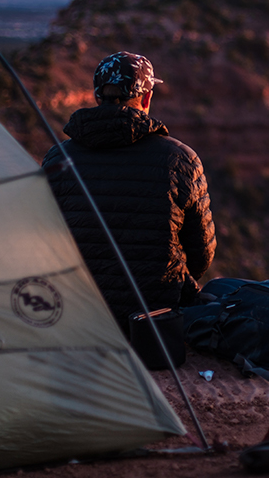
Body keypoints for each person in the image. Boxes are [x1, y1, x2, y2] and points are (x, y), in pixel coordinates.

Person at [42, 51, 216, 333]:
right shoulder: (180, 159)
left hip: (76, 317)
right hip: (154, 323)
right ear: (146, 98)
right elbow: (201, 253)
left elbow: (39, 239)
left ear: (97, 96)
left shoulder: (57, 158)